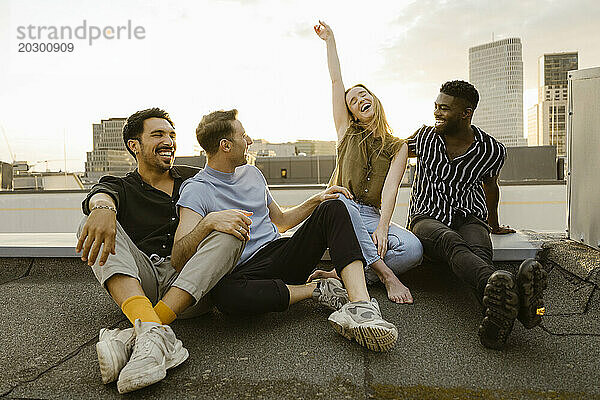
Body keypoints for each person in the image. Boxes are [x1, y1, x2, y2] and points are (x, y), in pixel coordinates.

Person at [173, 109, 399, 352]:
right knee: (224, 296)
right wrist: (208, 222)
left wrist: (318, 200)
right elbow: (178, 257)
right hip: (245, 273)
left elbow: (280, 221)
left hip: (280, 253)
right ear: (225, 145)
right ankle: (317, 290)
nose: (249, 141)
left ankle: (361, 306)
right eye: (244, 136)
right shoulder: (197, 189)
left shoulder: (252, 173)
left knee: (334, 207)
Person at [76, 108, 249, 393]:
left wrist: (208, 224)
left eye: (171, 135)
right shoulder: (120, 185)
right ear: (135, 145)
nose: (168, 140)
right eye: (157, 134)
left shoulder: (195, 179)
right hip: (140, 281)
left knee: (232, 230)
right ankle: (154, 333)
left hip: (191, 285)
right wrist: (103, 208)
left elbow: (244, 194)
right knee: (89, 223)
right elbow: (101, 194)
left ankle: (139, 332)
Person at [406, 80, 548, 350]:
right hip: (426, 218)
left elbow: (491, 188)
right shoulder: (423, 138)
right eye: (436, 106)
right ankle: (522, 303)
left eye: (444, 109)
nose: (436, 112)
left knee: (479, 252)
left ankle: (497, 324)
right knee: (451, 242)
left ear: (465, 113)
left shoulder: (492, 149)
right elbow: (387, 156)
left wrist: (492, 225)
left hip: (470, 216)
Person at [311, 21, 423, 304]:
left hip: (372, 213)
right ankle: (385, 275)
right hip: (340, 209)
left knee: (413, 249)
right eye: (353, 101)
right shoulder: (346, 133)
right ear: (353, 114)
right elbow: (337, 81)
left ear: (374, 100)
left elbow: (390, 191)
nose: (359, 100)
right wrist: (330, 40)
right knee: (341, 204)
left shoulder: (398, 146)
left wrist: (383, 226)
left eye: (364, 95)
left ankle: (341, 274)